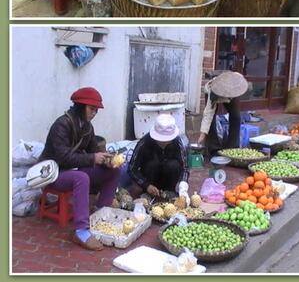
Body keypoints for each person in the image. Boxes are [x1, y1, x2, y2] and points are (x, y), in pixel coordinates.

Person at [39, 87, 121, 251]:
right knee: (81, 178)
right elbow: (63, 158)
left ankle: (100, 212)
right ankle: (81, 231)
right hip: (54, 173)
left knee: (114, 169)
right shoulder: (61, 125)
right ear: (80, 106)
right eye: (91, 109)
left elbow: (92, 152)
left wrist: (106, 160)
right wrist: (92, 158)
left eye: (96, 110)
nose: (94, 113)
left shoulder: (87, 127)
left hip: (73, 170)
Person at [127, 114, 190, 204]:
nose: (164, 142)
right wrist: (146, 185)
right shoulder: (144, 143)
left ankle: (170, 193)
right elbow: (132, 168)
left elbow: (185, 168)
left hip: (170, 180)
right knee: (152, 163)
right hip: (150, 180)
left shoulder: (178, 143)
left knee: (173, 164)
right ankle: (148, 194)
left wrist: (183, 187)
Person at [197, 71, 249, 154]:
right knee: (211, 120)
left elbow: (243, 83)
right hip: (214, 93)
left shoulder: (236, 82)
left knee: (236, 117)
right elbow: (208, 114)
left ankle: (233, 148)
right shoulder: (212, 92)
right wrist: (202, 134)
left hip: (232, 94)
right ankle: (214, 148)